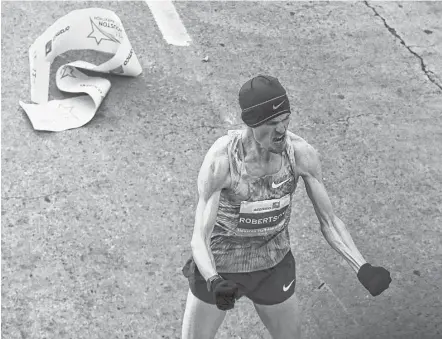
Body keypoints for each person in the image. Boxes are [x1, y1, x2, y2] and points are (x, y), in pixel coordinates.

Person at [181, 75, 392, 339]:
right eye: (271, 124)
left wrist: (362, 266)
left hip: (272, 264)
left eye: (285, 119)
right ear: (251, 123)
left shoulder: (301, 154)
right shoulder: (222, 162)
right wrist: (214, 280)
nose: (281, 130)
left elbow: (330, 221)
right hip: (220, 267)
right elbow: (199, 238)